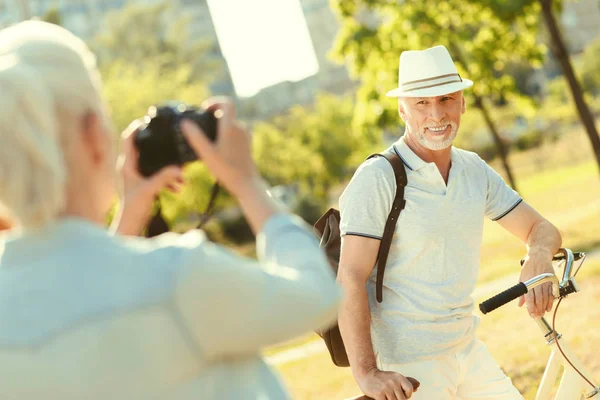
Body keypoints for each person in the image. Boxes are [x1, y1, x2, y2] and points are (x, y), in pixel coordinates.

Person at [0, 20, 341, 399]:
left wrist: (130, 212)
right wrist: (247, 183)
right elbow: (317, 298)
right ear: (95, 135)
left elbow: (79, 292)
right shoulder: (176, 277)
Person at [337, 45, 562, 400]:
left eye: (445, 99)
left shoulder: (473, 169)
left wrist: (538, 255)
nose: (436, 114)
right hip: (407, 365)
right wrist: (367, 374)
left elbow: (543, 229)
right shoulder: (378, 177)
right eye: (422, 104)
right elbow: (349, 276)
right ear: (402, 110)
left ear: (462, 103)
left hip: (467, 349)